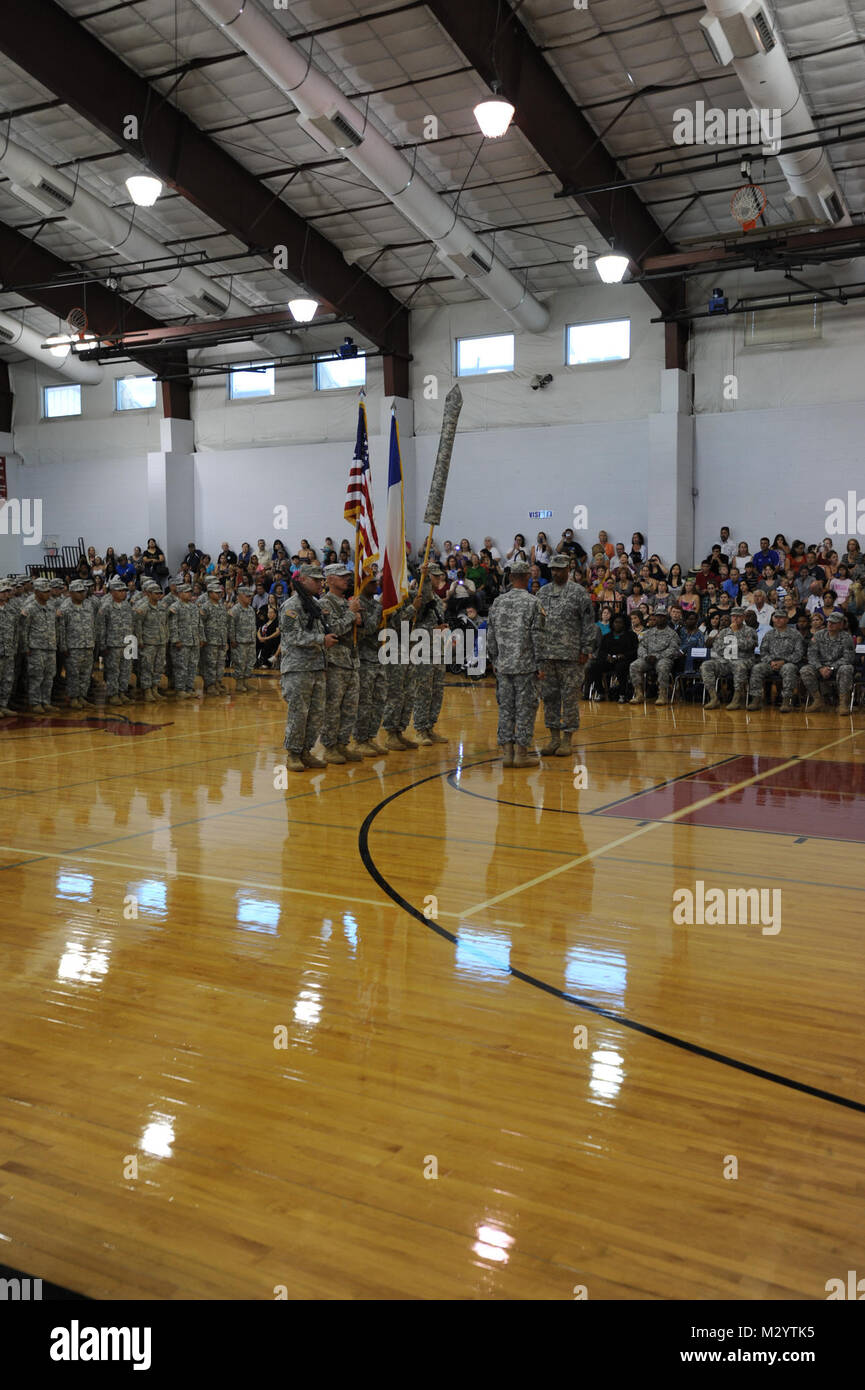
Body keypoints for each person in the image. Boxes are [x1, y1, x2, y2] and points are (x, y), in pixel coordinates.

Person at [535, 555, 595, 755]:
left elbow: (588, 624)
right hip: (547, 655)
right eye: (552, 569)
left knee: (569, 698)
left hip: (571, 656)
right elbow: (537, 624)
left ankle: (567, 739)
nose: (555, 572)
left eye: (559, 569)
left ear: (568, 569)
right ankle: (553, 738)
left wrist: (586, 649)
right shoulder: (542, 593)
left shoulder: (579, 593)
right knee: (549, 697)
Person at [486, 560, 542, 767]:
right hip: (525, 667)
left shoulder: (498, 602)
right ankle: (521, 754)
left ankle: (507, 754)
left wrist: (495, 660)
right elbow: (538, 637)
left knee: (506, 709)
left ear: (510, 578)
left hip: (503, 667)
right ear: (528, 577)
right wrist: (540, 665)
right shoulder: (533, 602)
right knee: (525, 709)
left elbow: (490, 637)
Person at [279, 563, 334, 772]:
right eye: (316, 580)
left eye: (322, 579)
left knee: (316, 714)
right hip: (298, 668)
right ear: (302, 580)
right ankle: (293, 754)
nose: (321, 583)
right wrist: (321, 639)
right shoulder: (291, 606)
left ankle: (306, 751)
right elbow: (292, 636)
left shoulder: (314, 604)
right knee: (299, 713)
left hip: (317, 667)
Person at [319, 563, 362, 764]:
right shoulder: (325, 603)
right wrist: (351, 614)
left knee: (350, 707)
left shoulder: (347, 603)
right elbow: (333, 629)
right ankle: (329, 746)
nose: (347, 579)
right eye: (341, 576)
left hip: (352, 661)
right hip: (335, 662)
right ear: (330, 580)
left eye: (347, 576)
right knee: (333, 707)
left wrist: (357, 618)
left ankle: (342, 744)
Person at [410, 565, 449, 746]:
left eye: (440, 575)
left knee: (437, 690)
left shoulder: (438, 600)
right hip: (424, 649)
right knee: (423, 690)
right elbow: (413, 626)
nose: (439, 578)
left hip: (438, 650)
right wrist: (433, 629)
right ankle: (419, 729)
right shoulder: (418, 597)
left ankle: (429, 727)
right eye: (435, 576)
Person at [353, 569, 387, 757]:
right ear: (363, 584)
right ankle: (360, 739)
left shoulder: (374, 604)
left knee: (379, 700)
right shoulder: (358, 604)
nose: (377, 585)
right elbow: (367, 629)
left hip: (378, 656)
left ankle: (370, 737)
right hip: (365, 657)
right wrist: (380, 609)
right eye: (372, 583)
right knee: (364, 701)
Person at [747, 608, 804, 713]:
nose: (778, 620)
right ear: (773, 619)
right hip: (771, 664)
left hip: (787, 663)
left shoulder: (795, 635)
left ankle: (786, 701)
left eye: (781, 618)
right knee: (757, 668)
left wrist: (783, 661)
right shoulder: (769, 634)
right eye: (776, 617)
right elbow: (763, 652)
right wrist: (770, 662)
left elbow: (798, 654)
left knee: (789, 669)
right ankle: (756, 699)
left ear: (787, 619)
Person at [700, 608, 757, 709]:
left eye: (738, 616)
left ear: (743, 618)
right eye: (733, 616)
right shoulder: (724, 632)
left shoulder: (750, 631)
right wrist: (732, 649)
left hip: (743, 660)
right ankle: (714, 698)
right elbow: (717, 647)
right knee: (706, 665)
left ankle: (736, 699)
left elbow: (748, 646)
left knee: (739, 666)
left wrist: (735, 633)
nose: (735, 619)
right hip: (726, 660)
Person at [800, 609, 856, 711]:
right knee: (805, 670)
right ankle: (818, 700)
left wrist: (831, 667)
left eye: (834, 623)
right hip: (821, 667)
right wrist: (820, 668)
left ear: (841, 624)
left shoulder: (847, 637)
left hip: (837, 668)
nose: (830, 624)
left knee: (847, 668)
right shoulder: (818, 635)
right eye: (829, 622)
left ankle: (843, 703)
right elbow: (812, 655)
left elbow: (848, 657)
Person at [96, 576, 136, 706]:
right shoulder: (106, 607)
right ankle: (113, 694)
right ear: (112, 592)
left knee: (126, 670)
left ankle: (122, 692)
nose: (123, 593)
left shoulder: (127, 606)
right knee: (113, 670)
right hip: (113, 644)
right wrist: (103, 646)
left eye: (125, 591)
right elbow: (101, 628)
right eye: (120, 591)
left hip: (127, 643)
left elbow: (131, 625)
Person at [629, 611, 680, 705]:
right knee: (634, 665)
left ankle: (662, 695)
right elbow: (641, 646)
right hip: (648, 659)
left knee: (662, 666)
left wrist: (657, 657)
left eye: (662, 617)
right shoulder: (648, 632)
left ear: (666, 618)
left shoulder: (672, 634)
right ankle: (639, 694)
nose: (659, 619)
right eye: (657, 617)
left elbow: (673, 650)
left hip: (664, 658)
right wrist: (645, 656)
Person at [585, 612, 637, 702]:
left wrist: (623, 655)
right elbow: (601, 651)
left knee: (620, 667)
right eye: (615, 622)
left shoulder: (631, 636)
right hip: (609, 660)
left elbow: (635, 651)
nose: (617, 624)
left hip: (624, 660)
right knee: (594, 666)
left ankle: (622, 694)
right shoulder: (607, 636)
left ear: (625, 624)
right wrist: (607, 656)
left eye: (620, 622)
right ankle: (601, 692)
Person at [133, 580, 169, 702]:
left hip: (161, 641)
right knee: (147, 667)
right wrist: (140, 640)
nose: (158, 595)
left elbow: (165, 624)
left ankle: (155, 688)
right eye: (155, 593)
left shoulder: (162, 607)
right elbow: (138, 625)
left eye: (159, 593)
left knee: (159, 667)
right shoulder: (143, 608)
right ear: (148, 594)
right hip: (148, 642)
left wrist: (166, 637)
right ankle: (147, 690)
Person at [200, 581, 229, 696]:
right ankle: (210, 685)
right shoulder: (206, 607)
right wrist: (202, 638)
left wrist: (225, 639)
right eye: (216, 593)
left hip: (221, 640)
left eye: (220, 593)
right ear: (210, 593)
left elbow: (224, 623)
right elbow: (200, 624)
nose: (219, 594)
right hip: (210, 640)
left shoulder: (221, 606)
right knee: (210, 664)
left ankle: (217, 682)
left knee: (220, 664)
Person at [229, 584, 257, 693]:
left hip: (250, 641)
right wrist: (232, 640)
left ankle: (245, 682)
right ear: (240, 596)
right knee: (240, 663)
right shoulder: (235, 610)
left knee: (250, 662)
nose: (250, 598)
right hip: (239, 642)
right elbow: (231, 626)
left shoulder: (251, 609)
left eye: (251, 596)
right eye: (247, 596)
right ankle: (239, 684)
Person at [0, 579, 16, 717]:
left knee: (7, 679)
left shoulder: (10, 609)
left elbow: (15, 630)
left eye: (6, 591)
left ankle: (3, 705)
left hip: (9, 650)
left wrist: (14, 647)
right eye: (2, 592)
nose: (5, 594)